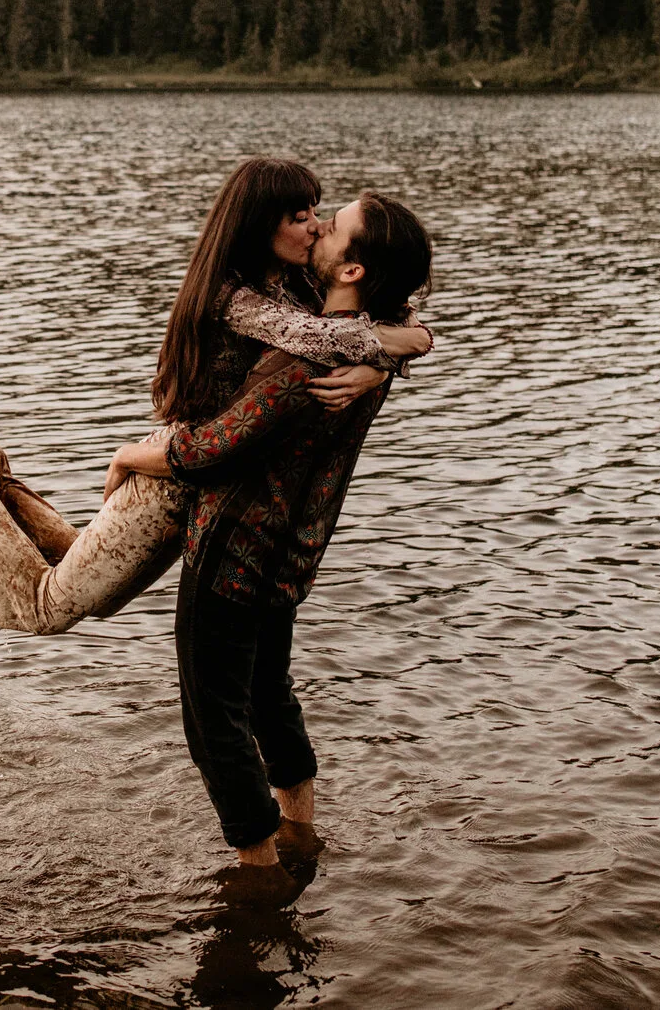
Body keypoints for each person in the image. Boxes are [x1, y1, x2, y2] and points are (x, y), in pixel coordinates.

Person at [0, 157, 432, 636]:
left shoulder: (296, 283)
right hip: (169, 476)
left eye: (317, 214)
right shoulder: (232, 298)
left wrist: (390, 361)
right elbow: (320, 340)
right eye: (301, 217)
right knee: (48, 606)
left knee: (80, 566)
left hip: (197, 476)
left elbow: (384, 312)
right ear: (259, 226)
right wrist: (396, 353)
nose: (316, 228)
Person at [105, 191, 432, 870]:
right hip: (294, 557)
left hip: (232, 552)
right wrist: (395, 351)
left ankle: (257, 868)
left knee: (213, 717)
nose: (320, 226)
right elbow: (409, 320)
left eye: (334, 225)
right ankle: (300, 830)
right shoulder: (357, 348)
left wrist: (128, 454)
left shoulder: (305, 363)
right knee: (268, 693)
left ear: (352, 271)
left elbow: (212, 448)